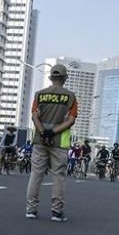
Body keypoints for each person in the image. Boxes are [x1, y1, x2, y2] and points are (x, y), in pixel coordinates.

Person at [25, 64, 78, 222]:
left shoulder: (39, 95)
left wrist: (42, 132)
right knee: (58, 177)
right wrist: (53, 132)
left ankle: (31, 210)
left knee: (36, 174)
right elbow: (71, 120)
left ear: (50, 78)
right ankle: (56, 212)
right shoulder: (70, 97)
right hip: (59, 142)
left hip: (40, 141)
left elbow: (34, 116)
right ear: (65, 78)